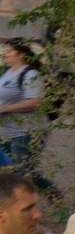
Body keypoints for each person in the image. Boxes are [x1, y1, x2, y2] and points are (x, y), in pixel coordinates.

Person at [0, 42, 45, 180]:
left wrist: (7, 108)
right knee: (17, 171)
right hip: (8, 131)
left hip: (26, 131)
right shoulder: (8, 72)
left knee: (24, 174)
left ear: (21, 54)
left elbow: (35, 102)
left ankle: (57, 199)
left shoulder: (31, 74)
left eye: (9, 51)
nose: (5, 54)